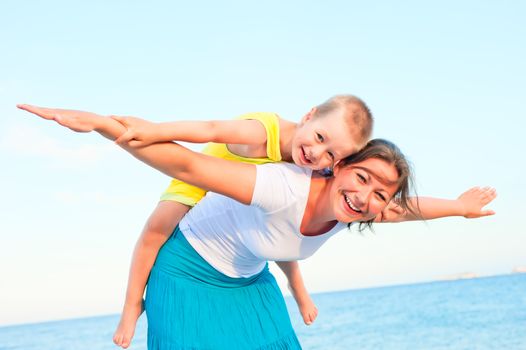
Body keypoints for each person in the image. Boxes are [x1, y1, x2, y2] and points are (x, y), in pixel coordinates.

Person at [18, 104, 496, 350]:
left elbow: (408, 208)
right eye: (363, 178)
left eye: (380, 194)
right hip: (186, 271)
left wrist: (458, 206)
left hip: (248, 278)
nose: (367, 197)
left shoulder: (359, 206)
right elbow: (187, 164)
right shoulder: (281, 184)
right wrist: (106, 126)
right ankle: (132, 308)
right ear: (341, 169)